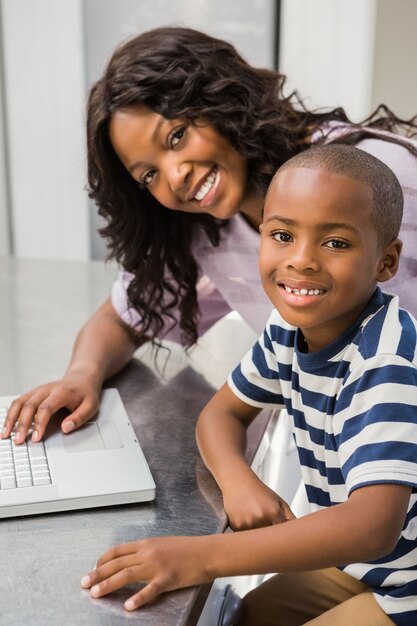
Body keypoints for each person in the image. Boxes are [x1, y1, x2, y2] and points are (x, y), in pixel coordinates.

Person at [2, 26, 416, 446]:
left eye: (177, 136)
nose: (176, 176)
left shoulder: (375, 179)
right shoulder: (211, 232)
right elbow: (122, 317)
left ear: (220, 100)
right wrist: (81, 377)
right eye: (149, 175)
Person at [80, 144, 417, 625]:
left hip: (407, 584)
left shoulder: (386, 361)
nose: (301, 261)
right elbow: (221, 413)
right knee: (244, 618)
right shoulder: (288, 329)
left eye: (336, 243)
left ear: (385, 263)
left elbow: (372, 527)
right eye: (282, 235)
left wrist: (204, 555)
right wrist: (238, 483)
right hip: (365, 566)